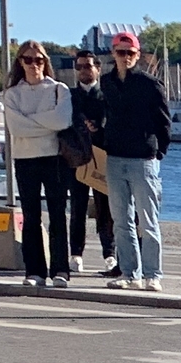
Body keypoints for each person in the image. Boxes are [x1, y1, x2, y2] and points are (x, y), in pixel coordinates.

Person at [93, 32, 171, 290]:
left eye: (130, 53)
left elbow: (163, 122)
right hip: (115, 157)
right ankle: (130, 273)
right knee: (121, 220)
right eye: (120, 52)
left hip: (143, 158)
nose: (125, 57)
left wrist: (158, 152)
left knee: (148, 220)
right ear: (113, 53)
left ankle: (153, 274)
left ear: (137, 55)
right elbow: (105, 115)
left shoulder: (150, 84)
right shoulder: (106, 83)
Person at [3, 42, 75, 288]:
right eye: (28, 59)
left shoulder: (59, 90)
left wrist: (31, 122)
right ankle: (34, 270)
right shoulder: (12, 94)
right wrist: (45, 123)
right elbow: (16, 127)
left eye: (39, 60)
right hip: (25, 159)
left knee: (57, 214)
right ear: (20, 62)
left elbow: (62, 120)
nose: (34, 65)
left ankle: (61, 270)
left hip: (54, 157)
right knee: (31, 216)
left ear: (46, 62)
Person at [67, 50, 115, 277]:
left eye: (87, 66)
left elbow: (110, 117)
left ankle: (109, 253)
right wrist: (81, 125)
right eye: (79, 67)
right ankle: (76, 253)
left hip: (101, 156)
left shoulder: (105, 94)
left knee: (105, 208)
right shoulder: (70, 95)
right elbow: (66, 120)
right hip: (76, 157)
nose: (83, 71)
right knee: (77, 207)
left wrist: (98, 126)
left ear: (97, 68)